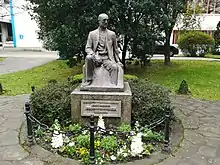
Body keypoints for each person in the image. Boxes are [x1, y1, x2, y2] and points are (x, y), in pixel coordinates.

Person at [84, 13, 123, 86]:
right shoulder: (92, 34)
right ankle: (89, 80)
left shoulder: (112, 34)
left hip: (107, 59)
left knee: (114, 67)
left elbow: (115, 49)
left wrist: (118, 61)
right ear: (99, 21)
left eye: (107, 20)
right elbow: (88, 48)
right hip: (96, 58)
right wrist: (94, 55)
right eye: (104, 20)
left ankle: (113, 85)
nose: (106, 22)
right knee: (88, 57)